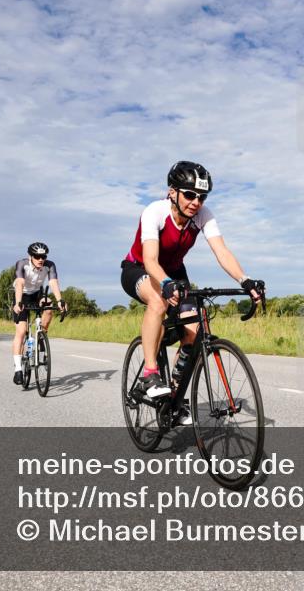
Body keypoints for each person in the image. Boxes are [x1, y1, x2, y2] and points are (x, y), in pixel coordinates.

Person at [120, 161, 262, 424]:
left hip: (175, 271)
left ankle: (174, 396)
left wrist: (245, 280)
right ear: (172, 191)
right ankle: (150, 372)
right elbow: (151, 260)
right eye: (190, 194)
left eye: (202, 196)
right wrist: (165, 284)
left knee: (195, 329)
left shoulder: (203, 215)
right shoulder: (155, 211)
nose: (196, 202)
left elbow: (221, 251)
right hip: (138, 268)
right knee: (158, 302)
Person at [11, 242, 66, 385]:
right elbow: (20, 283)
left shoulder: (50, 265)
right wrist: (18, 303)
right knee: (22, 331)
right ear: (31, 256)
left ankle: (42, 334)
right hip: (21, 295)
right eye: (37, 256)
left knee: (49, 306)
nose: (41, 259)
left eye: (43, 256)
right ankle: (18, 369)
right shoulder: (22, 264)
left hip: (37, 295)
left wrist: (60, 300)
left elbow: (53, 283)